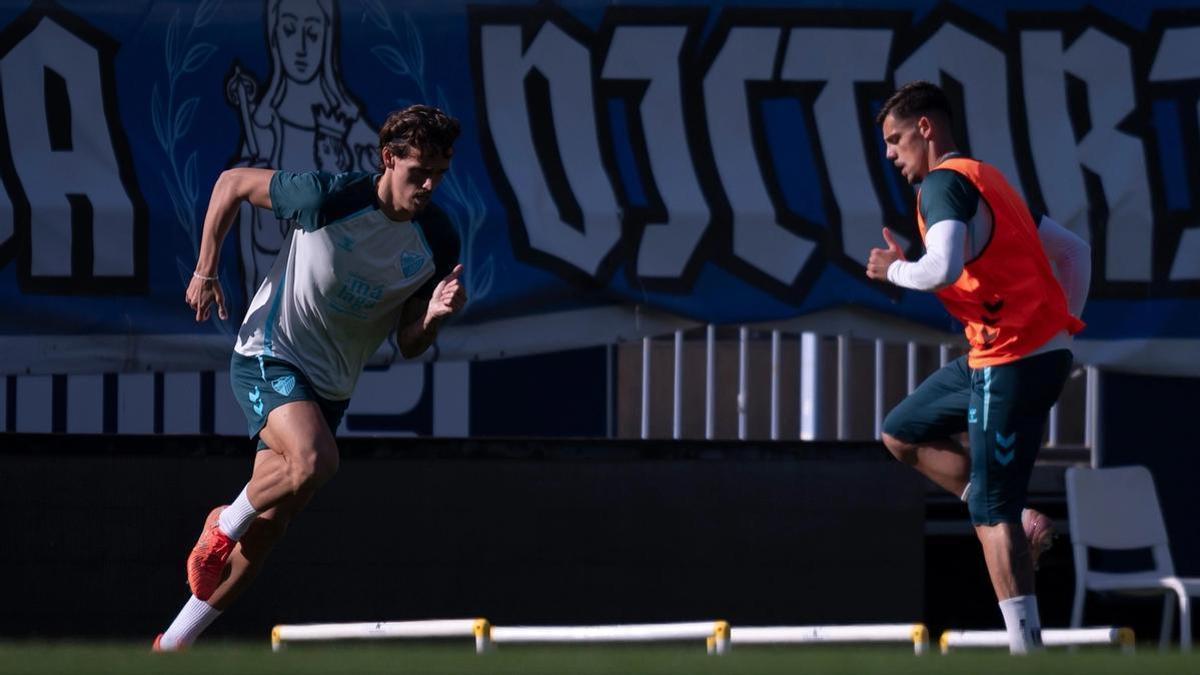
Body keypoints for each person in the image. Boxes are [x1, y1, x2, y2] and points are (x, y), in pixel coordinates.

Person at [153, 104, 465, 650]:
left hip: (331, 390)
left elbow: (409, 342)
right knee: (316, 461)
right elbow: (231, 184)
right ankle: (222, 525)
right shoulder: (326, 198)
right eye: (420, 172)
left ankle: (172, 646)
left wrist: (434, 317)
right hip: (270, 354)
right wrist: (206, 270)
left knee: (270, 528)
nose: (430, 185)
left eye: (440, 173)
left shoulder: (438, 239)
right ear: (389, 159)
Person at [866, 81, 1090, 654]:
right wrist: (1060, 332)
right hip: (1007, 354)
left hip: (1010, 359)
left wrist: (894, 270)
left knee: (993, 515)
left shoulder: (943, 183)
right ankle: (1016, 513)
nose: (889, 154)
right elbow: (1074, 252)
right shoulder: (986, 178)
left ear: (925, 128)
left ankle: (1026, 653)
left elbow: (940, 267)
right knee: (900, 431)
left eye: (895, 139)